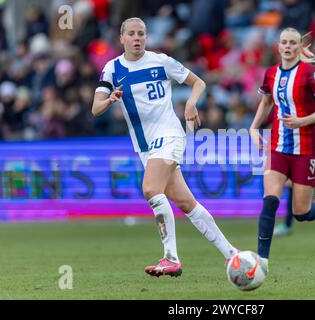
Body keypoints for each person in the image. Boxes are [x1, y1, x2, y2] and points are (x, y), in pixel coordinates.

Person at [92, 17, 238, 277]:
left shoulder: (161, 61)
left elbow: (199, 82)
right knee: (186, 203)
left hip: (170, 135)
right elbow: (96, 108)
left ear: (146, 38)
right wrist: (111, 99)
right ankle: (232, 254)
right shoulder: (112, 69)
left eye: (142, 34)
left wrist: (191, 103)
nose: (137, 38)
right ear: (122, 39)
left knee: (150, 188)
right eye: (132, 34)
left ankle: (171, 257)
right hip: (145, 146)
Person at [249, 28, 315, 269]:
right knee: (270, 200)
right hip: (278, 146)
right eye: (284, 42)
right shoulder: (271, 73)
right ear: (278, 47)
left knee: (301, 212)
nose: (288, 46)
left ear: (299, 47)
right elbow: (267, 101)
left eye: (293, 42)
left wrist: (301, 121)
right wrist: (253, 127)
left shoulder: (311, 73)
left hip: (307, 149)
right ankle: (263, 260)